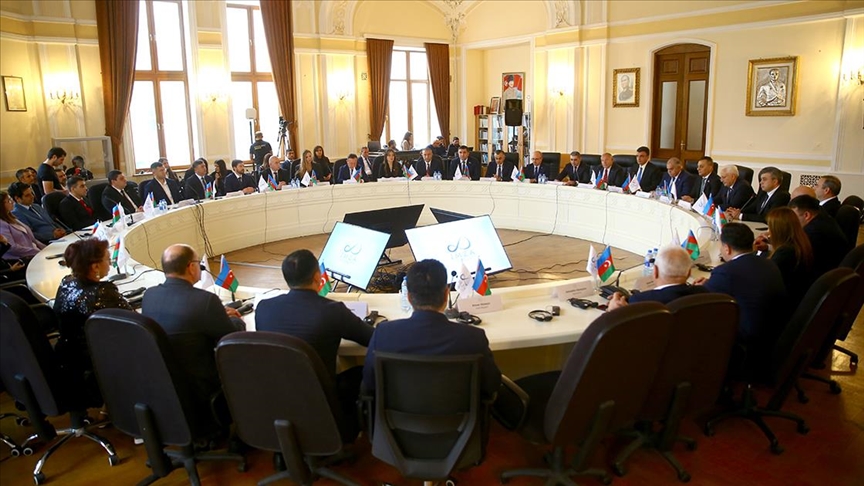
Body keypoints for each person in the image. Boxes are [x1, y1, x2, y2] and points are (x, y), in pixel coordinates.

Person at [256, 249, 373, 433]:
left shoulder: (263, 307)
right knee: (362, 371)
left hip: (276, 398)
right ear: (318, 277)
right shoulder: (332, 310)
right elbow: (371, 338)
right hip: (320, 399)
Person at [362, 259, 501, 398]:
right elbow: (491, 385)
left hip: (395, 412)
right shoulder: (473, 337)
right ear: (446, 295)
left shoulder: (383, 334)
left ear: (408, 297)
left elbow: (370, 383)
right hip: (460, 412)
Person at [141, 244, 244, 418]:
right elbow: (233, 339)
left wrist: (217, 314)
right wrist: (234, 319)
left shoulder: (149, 296)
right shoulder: (205, 301)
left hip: (165, 387)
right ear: (191, 267)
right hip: (202, 389)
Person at [693, 223, 788, 378]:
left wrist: (698, 287)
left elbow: (703, 300)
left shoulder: (726, 272)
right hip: (774, 333)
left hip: (746, 340)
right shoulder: (768, 262)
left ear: (727, 248)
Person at [53, 238, 132, 399]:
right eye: (108, 260)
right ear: (95, 266)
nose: (110, 264)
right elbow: (133, 323)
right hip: (95, 362)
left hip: (66, 358)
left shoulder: (66, 282)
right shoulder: (103, 292)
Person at [607, 246, 708, 310]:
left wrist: (612, 312)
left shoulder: (639, 301)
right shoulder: (703, 293)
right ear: (689, 272)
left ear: (655, 271)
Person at [755, 207, 815, 302]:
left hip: (781, 301)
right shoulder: (798, 243)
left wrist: (752, 254)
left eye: (770, 228)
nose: (768, 232)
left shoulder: (785, 253)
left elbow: (761, 277)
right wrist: (767, 247)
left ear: (778, 230)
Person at [787, 195, 848, 277]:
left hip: (822, 276)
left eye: (793, 217)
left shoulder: (813, 232)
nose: (791, 220)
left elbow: (793, 257)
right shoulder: (824, 219)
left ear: (806, 215)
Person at [0, 191, 46, 261]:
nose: (12, 202)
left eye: (11, 199)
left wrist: (45, 249)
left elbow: (32, 240)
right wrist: (36, 252)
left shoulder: (12, 217)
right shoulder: (1, 224)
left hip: (34, 253)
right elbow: (11, 247)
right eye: (8, 200)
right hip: (21, 259)